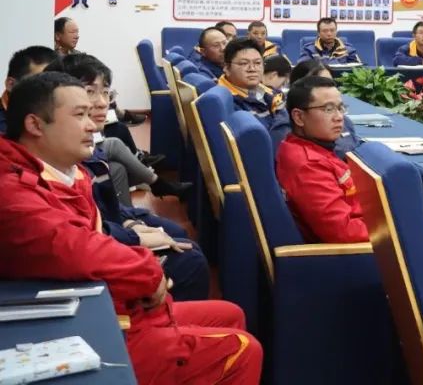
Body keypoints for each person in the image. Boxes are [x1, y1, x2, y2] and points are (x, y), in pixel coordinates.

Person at [0, 73, 262, 383]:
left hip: (108, 301)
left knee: (230, 314)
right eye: (79, 115)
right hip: (84, 323)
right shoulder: (12, 192)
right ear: (35, 125)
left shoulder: (66, 172)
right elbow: (79, 249)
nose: (92, 125)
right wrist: (149, 272)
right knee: (244, 349)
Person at [47, 53, 191, 205]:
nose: (103, 103)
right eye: (89, 91)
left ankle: (150, 181)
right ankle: (154, 181)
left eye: (106, 92)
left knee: (117, 167)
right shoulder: (52, 175)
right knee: (115, 143)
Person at [276, 76, 370, 243]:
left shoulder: (312, 147)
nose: (339, 117)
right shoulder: (308, 165)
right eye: (328, 109)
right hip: (358, 252)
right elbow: (344, 232)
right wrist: (394, 229)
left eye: (340, 108)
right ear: (299, 117)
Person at [219, 38, 289, 147]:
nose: (252, 69)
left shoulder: (269, 91)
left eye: (257, 63)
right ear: (227, 68)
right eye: (244, 63)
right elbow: (262, 142)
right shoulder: (227, 102)